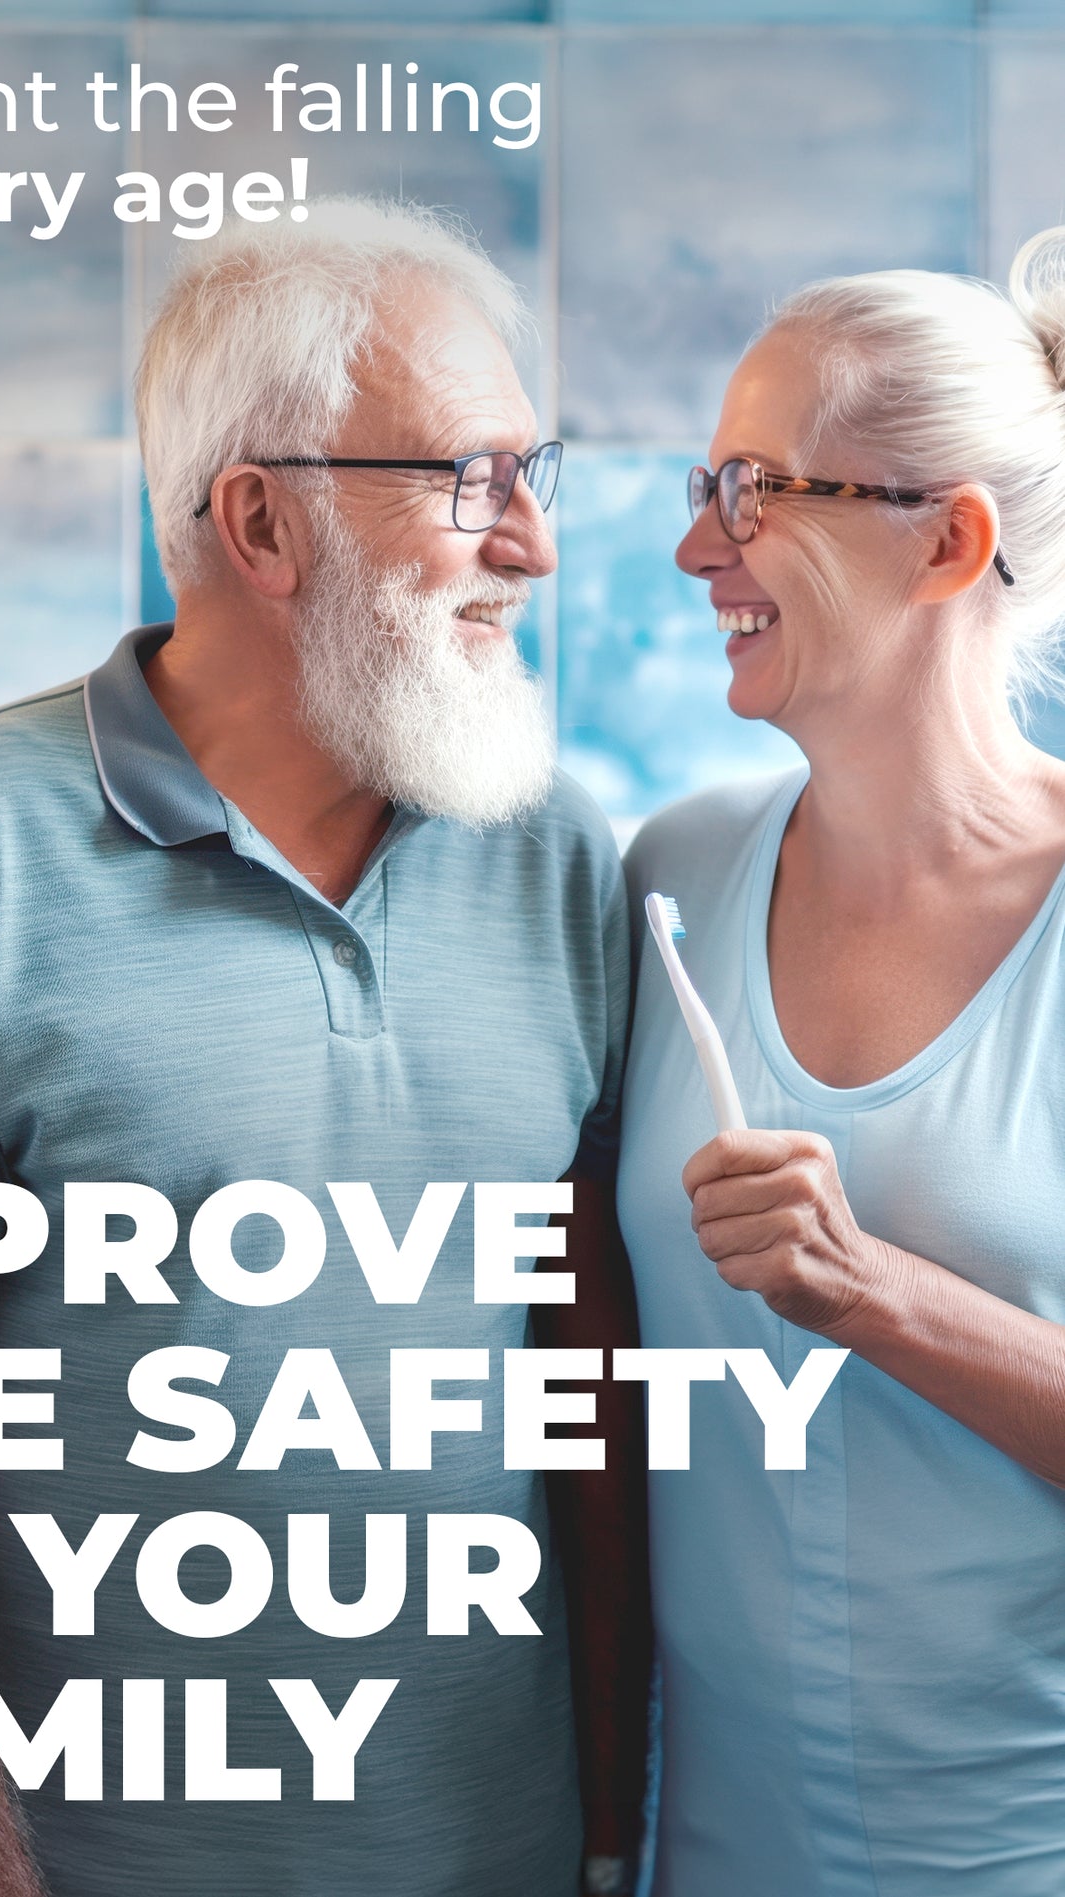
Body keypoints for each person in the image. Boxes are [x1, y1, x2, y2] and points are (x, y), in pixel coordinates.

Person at [0, 199, 649, 1897]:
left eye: (529, 470)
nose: (532, 543)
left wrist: (610, 1823)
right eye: (467, 479)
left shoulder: (553, 853)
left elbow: (593, 1391)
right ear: (260, 519)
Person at [620, 229, 1065, 1896]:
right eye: (703, 480)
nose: (689, 547)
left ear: (944, 542)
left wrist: (871, 1292)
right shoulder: (670, 877)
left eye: (753, 490)